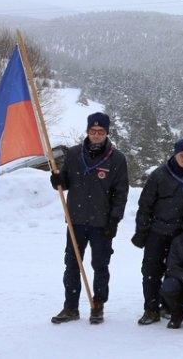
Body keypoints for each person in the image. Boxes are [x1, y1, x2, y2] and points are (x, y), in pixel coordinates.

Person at [49, 112, 129, 325]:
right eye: (93, 131)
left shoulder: (117, 159)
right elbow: (64, 183)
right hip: (76, 219)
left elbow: (121, 194)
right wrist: (57, 179)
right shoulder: (75, 154)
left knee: (100, 265)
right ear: (87, 131)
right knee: (72, 264)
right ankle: (70, 307)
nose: (96, 135)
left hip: (102, 223)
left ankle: (98, 305)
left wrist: (114, 220)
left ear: (106, 133)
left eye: (100, 131)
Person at [132, 138, 183, 325]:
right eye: (182, 155)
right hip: (157, 232)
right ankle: (151, 309)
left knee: (175, 272)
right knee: (151, 271)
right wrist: (142, 231)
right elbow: (145, 205)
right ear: (175, 154)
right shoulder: (159, 175)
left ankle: (168, 306)